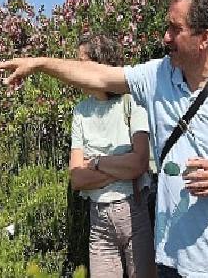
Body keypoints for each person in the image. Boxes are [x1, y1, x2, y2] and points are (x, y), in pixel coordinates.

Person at [0, 0, 208, 277]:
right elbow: (99, 76)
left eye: (175, 29)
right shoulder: (158, 76)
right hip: (171, 259)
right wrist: (40, 64)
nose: (166, 37)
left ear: (204, 38)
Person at [68, 35, 156, 278]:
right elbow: (77, 179)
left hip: (134, 212)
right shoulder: (81, 111)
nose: (76, 69)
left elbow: (138, 163)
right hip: (98, 221)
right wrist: (121, 167)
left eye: (82, 62)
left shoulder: (132, 102)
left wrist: (96, 163)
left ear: (100, 64)